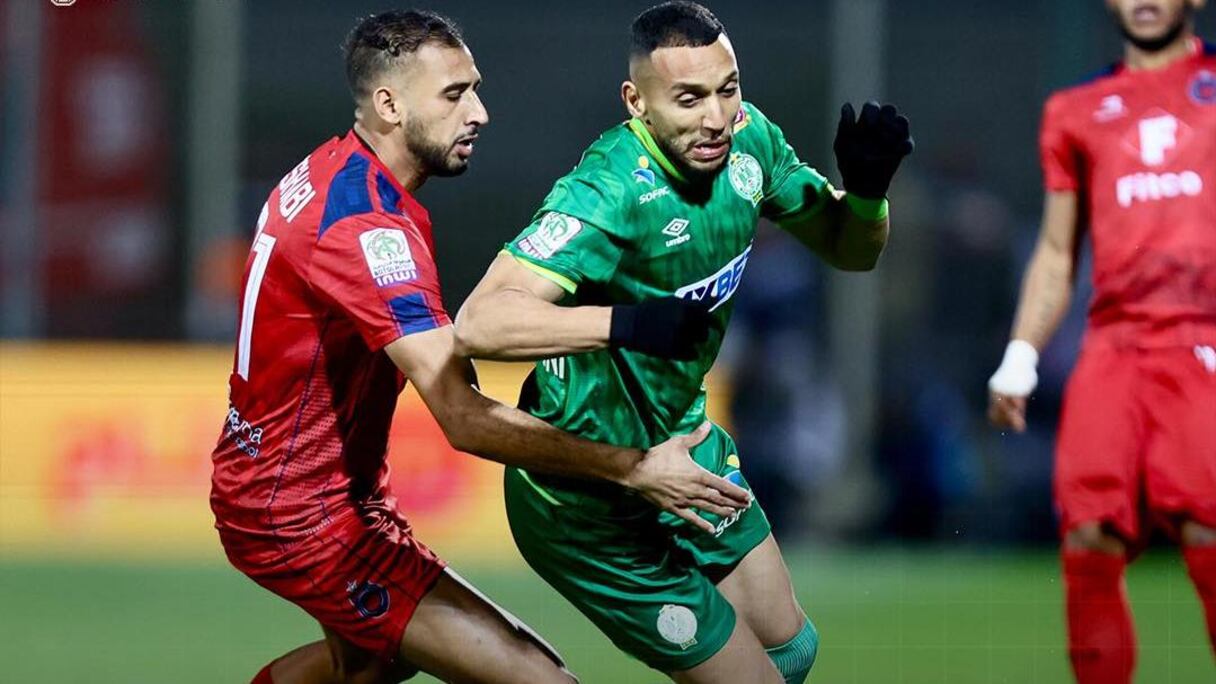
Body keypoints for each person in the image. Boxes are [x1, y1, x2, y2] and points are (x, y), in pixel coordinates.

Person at [209, 10, 750, 684]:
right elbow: (462, 418)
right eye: (454, 94)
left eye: (475, 89)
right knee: (538, 679)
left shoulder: (333, 172)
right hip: (302, 514)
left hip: (298, 490)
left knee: (368, 667)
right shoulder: (366, 228)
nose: (480, 113)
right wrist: (632, 467)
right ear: (390, 106)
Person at [454, 3, 912, 681]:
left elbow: (852, 251)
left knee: (791, 652)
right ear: (635, 102)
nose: (716, 118)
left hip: (684, 445)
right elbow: (479, 322)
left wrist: (868, 196)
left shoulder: (751, 143)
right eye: (690, 99)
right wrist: (628, 322)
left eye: (728, 90)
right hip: (582, 500)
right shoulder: (608, 190)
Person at [987, 1, 1216, 681]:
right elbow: (1058, 250)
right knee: (1088, 536)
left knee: (1208, 528)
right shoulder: (1076, 110)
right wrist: (1020, 356)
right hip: (1113, 347)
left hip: (1202, 340)